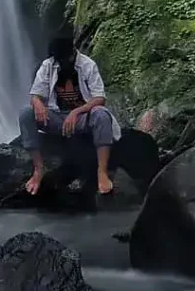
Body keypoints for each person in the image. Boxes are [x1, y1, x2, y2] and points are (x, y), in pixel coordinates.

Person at [19, 36, 121, 195]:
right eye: (58, 60)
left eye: (64, 60)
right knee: (26, 113)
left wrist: (76, 111)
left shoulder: (87, 65)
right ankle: (39, 169)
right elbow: (35, 95)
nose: (60, 63)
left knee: (101, 115)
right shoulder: (48, 65)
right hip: (56, 117)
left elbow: (100, 99)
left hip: (82, 118)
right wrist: (37, 103)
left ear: (73, 54)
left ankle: (102, 171)